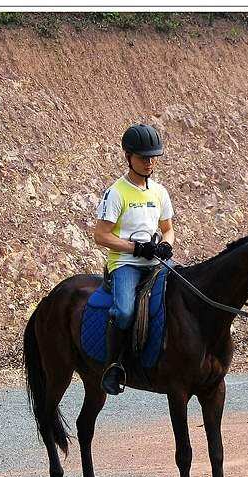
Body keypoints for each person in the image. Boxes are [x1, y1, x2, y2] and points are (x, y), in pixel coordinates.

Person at [93, 124, 175, 395]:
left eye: (153, 157)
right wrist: (134, 248)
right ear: (128, 156)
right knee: (125, 311)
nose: (150, 162)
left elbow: (168, 229)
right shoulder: (116, 193)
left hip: (155, 263)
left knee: (182, 296)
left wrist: (165, 245)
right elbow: (101, 236)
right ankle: (113, 366)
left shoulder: (160, 192)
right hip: (125, 264)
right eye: (143, 157)